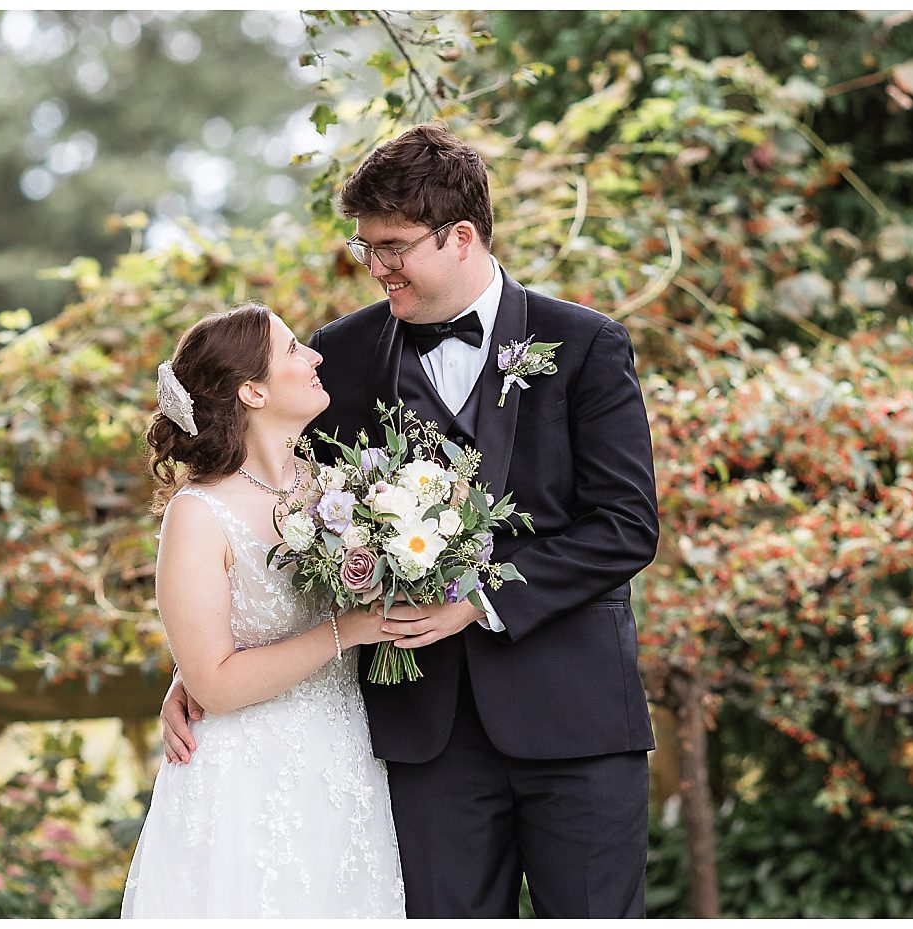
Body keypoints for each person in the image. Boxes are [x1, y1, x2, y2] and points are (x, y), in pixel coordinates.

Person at [162, 125, 661, 917]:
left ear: (460, 236)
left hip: (577, 727)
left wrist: (482, 598)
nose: (376, 266)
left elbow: (628, 525)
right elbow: (277, 512)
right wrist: (200, 670)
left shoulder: (585, 344)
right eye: (365, 247)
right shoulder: (342, 356)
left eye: (392, 245)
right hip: (421, 740)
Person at [120, 302, 414, 918]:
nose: (314, 357)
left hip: (344, 764)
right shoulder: (199, 514)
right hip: (245, 779)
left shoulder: (336, 488)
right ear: (252, 391)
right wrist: (346, 630)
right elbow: (216, 683)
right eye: (292, 350)